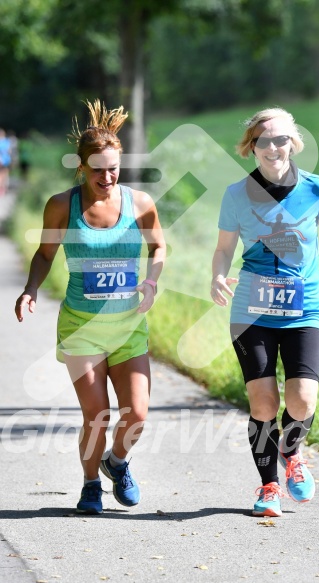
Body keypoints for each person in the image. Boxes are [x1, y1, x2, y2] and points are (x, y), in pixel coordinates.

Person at [15, 100, 166, 515]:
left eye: (113, 167)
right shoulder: (62, 205)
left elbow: (158, 247)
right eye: (97, 169)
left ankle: (116, 461)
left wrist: (151, 280)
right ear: (81, 168)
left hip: (128, 326)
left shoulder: (139, 204)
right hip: (82, 326)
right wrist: (31, 288)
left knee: (136, 414)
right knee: (97, 413)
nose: (107, 176)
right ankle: (89, 485)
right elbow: (45, 254)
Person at [210, 107, 319, 517]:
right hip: (252, 309)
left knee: (303, 400)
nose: (274, 147)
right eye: (265, 140)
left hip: (304, 306)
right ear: (251, 146)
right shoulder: (237, 195)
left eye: (281, 139)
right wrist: (217, 276)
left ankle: (292, 452)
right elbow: (223, 249)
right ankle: (269, 486)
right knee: (263, 404)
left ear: (293, 142)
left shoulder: (316, 187)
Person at [0, 128, 11, 196]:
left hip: (1, 161)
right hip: (6, 161)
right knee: (5, 175)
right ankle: (4, 189)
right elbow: (9, 151)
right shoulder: (7, 141)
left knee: (1, 175)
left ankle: (1, 189)